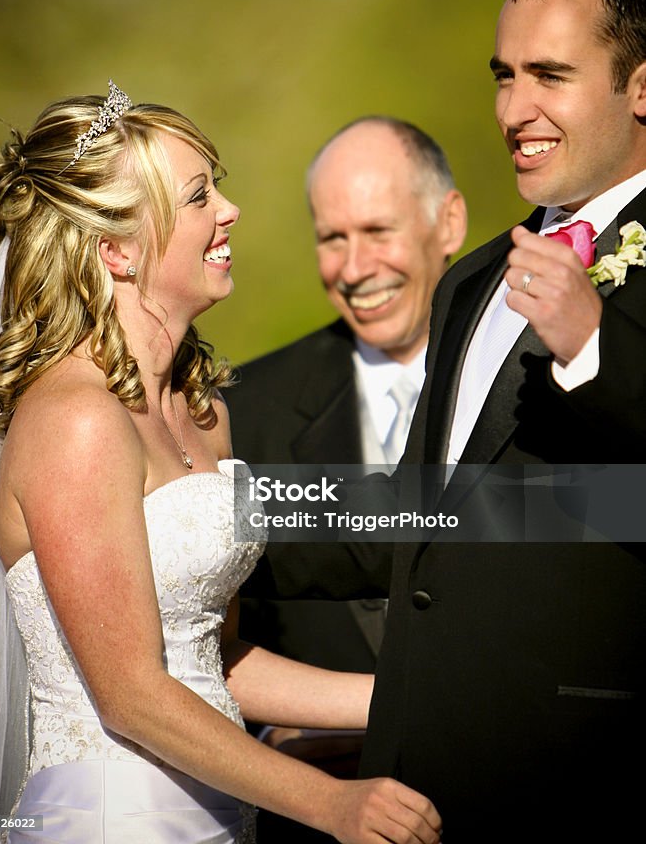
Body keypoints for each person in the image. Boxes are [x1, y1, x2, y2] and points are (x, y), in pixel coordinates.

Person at [0, 84, 443, 844]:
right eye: (197, 197)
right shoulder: (76, 419)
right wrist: (330, 803)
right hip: (112, 819)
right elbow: (132, 696)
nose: (230, 211)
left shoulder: (202, 411)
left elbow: (208, 660)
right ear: (114, 250)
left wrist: (409, 694)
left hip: (217, 809)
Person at [249, 0, 646, 841]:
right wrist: (217, 506)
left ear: (641, 87)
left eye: (549, 75)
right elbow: (432, 514)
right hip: (427, 791)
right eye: (502, 76)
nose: (515, 110)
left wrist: (591, 345)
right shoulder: (472, 283)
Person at [228, 118, 466, 842]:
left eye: (377, 230)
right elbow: (206, 626)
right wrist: (266, 746)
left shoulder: (528, 379)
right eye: (332, 238)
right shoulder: (241, 411)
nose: (354, 267)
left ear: (446, 222)